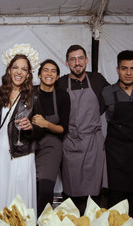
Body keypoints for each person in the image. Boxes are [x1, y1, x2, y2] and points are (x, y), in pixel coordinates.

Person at [55, 44, 109, 215]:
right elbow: (44, 96)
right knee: (71, 191)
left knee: (94, 192)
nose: (77, 62)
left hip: (93, 143)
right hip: (71, 142)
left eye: (80, 58)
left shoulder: (97, 79)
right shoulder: (61, 83)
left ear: (86, 60)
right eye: (73, 59)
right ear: (67, 62)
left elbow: (115, 94)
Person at [101, 50, 133, 218]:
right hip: (116, 152)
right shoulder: (107, 92)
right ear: (117, 70)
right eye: (124, 68)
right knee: (115, 199)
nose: (128, 73)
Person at [0, 44, 44, 213]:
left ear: (29, 74)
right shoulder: (1, 93)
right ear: (9, 70)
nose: (19, 72)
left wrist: (32, 127)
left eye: (24, 69)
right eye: (15, 67)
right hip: (0, 151)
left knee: (19, 198)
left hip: (21, 152)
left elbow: (41, 128)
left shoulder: (35, 96)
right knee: (1, 195)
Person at [31, 59, 70, 215]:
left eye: (53, 71)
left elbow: (63, 128)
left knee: (45, 190)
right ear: (39, 74)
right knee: (28, 188)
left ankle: (42, 221)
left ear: (58, 76)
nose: (49, 73)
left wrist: (45, 124)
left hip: (51, 147)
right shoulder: (29, 92)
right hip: (29, 145)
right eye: (45, 70)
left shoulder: (62, 96)